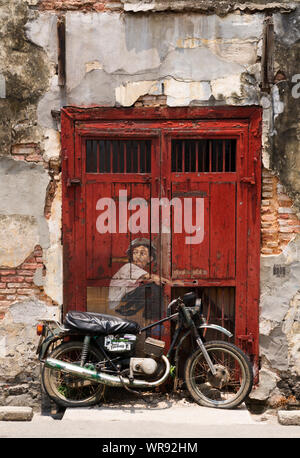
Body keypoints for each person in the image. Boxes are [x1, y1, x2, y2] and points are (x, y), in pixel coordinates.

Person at [108, 238, 163, 320]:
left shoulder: (137, 269)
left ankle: (148, 317)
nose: (137, 256)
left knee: (150, 287)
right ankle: (151, 319)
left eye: (142, 253)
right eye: (135, 252)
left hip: (123, 298)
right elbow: (155, 279)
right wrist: (172, 282)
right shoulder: (129, 267)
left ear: (150, 259)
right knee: (153, 288)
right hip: (119, 302)